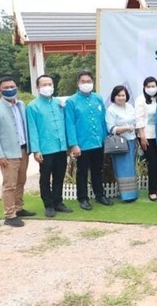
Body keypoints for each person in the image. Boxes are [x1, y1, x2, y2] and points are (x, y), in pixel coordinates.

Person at [0, 76, 35, 227]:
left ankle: (19, 208)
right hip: (8, 155)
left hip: (23, 150)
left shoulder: (21, 105)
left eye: (12, 86)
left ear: (17, 87)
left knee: (21, 181)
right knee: (9, 185)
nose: (10, 89)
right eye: (6, 87)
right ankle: (9, 215)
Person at [65, 70, 113, 210]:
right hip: (82, 144)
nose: (86, 84)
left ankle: (100, 195)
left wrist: (104, 138)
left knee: (98, 170)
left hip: (98, 142)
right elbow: (70, 123)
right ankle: (83, 198)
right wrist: (74, 144)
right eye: (83, 81)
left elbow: (102, 121)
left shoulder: (98, 99)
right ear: (78, 83)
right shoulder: (71, 101)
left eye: (89, 81)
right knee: (82, 171)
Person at [26, 74, 73, 218]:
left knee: (59, 176)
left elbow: (66, 124)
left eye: (50, 84)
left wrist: (68, 145)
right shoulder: (32, 106)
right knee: (45, 178)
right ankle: (48, 204)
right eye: (44, 84)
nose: (47, 87)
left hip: (61, 147)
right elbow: (32, 129)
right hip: (45, 149)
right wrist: (36, 150)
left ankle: (58, 202)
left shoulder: (59, 103)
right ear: (37, 87)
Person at [106, 85, 139, 202]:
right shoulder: (111, 110)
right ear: (114, 97)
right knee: (123, 168)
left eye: (123, 95)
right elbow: (111, 128)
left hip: (131, 140)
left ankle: (133, 193)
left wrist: (132, 129)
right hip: (119, 143)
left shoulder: (130, 107)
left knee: (131, 167)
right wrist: (125, 128)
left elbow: (135, 122)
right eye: (118, 95)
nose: (121, 97)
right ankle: (126, 195)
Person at [135, 77, 157, 202]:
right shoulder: (140, 100)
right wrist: (142, 136)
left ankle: (155, 188)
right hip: (147, 137)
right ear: (144, 87)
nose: (151, 88)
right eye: (148, 86)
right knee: (153, 163)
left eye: (153, 86)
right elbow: (139, 119)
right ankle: (151, 191)